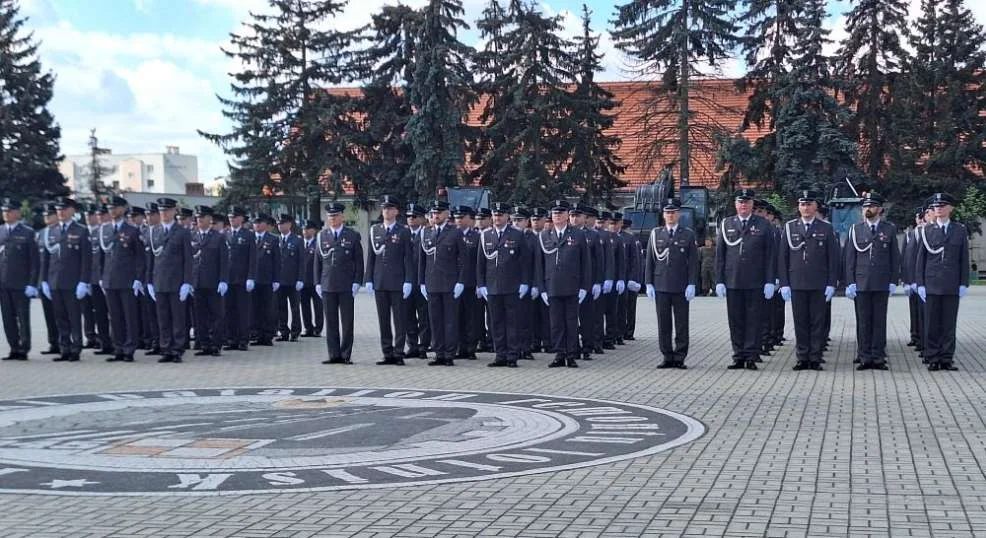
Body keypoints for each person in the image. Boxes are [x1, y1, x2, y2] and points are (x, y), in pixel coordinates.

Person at [777, 190, 840, 371]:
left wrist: (831, 283)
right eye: (802, 204)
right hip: (796, 282)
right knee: (800, 322)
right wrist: (784, 283)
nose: (805, 208)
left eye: (809, 204)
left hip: (819, 283)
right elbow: (783, 257)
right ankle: (802, 357)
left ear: (815, 207)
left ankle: (815, 357)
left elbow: (833, 258)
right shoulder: (790, 228)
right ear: (798, 207)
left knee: (817, 322)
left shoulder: (825, 228)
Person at [716, 188, 776, 370]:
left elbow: (770, 255)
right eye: (740, 202)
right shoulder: (727, 224)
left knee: (754, 320)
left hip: (756, 280)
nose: (743, 205)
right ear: (736, 204)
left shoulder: (764, 225)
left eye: (747, 202)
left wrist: (770, 280)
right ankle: (738, 355)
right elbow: (721, 255)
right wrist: (719, 280)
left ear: (752, 204)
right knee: (736, 320)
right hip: (733, 280)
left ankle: (751, 355)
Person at [844, 192, 899, 370]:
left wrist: (893, 280)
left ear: (880, 209)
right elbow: (850, 258)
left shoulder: (889, 229)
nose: (868, 209)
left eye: (872, 206)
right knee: (863, 321)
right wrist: (850, 281)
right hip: (861, 282)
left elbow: (894, 257)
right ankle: (864, 356)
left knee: (879, 321)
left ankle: (878, 357)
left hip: (881, 282)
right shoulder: (856, 229)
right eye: (865, 207)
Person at [534, 199, 591, 368]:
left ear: (567, 215)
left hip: (572, 286)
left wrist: (584, 287)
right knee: (556, 322)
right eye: (555, 213)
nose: (557, 216)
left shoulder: (578, 235)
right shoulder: (544, 235)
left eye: (561, 213)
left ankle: (571, 354)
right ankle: (559, 353)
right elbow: (539, 265)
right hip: (552, 286)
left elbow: (586, 264)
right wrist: (541, 288)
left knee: (571, 322)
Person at [916, 192, 969, 371]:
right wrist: (920, 284)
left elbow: (963, 258)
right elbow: (920, 260)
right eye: (936, 206)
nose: (938, 208)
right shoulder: (927, 230)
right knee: (931, 323)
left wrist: (963, 283)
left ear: (950, 208)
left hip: (951, 284)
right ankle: (932, 357)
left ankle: (946, 358)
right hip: (931, 284)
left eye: (942, 205)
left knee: (948, 324)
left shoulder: (959, 230)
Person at [645, 198, 698, 369]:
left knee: (682, 323)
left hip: (681, 286)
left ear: (679, 214)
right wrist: (648, 283)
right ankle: (667, 355)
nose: (670, 215)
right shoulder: (656, 234)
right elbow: (650, 261)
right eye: (668, 212)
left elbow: (693, 262)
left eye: (673, 212)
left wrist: (692, 284)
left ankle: (680, 356)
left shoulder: (688, 234)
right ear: (663, 215)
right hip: (661, 285)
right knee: (664, 323)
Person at [478, 202, 532, 367]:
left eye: (500, 215)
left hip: (512, 285)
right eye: (495, 215)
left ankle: (512, 355)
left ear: (507, 217)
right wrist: (481, 284)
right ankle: (500, 354)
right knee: (496, 322)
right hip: (492, 286)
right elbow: (480, 263)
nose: (497, 218)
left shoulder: (517, 235)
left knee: (512, 322)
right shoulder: (486, 235)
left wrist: (524, 283)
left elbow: (525, 262)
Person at [364, 195, 414, 365]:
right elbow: (371, 257)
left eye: (390, 208)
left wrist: (408, 280)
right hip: (380, 281)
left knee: (399, 319)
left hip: (398, 281)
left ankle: (398, 353)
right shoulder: (375, 230)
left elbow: (408, 258)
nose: (387, 211)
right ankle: (387, 353)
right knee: (383, 319)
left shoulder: (403, 231)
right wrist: (368, 279)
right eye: (384, 208)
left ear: (396, 211)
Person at [40, 197, 91, 362]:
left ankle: (76, 348)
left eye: (63, 209)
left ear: (71, 211)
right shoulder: (52, 231)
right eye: (58, 209)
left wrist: (84, 281)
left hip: (73, 282)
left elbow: (86, 259)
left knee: (74, 317)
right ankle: (64, 348)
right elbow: (47, 259)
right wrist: (44, 281)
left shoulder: (81, 230)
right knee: (60, 317)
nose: (60, 212)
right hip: (54, 281)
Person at [146, 198, 194, 363]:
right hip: (159, 282)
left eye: (167, 211)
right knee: (163, 318)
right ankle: (165, 348)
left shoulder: (182, 232)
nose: (164, 214)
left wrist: (187, 282)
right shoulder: (155, 231)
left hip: (176, 282)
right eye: (161, 211)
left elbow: (188, 260)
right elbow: (151, 259)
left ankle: (177, 349)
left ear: (174, 211)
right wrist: (149, 282)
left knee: (178, 318)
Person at [418, 200, 466, 366]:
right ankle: (438, 352)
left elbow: (463, 260)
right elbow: (422, 260)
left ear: (447, 214)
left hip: (450, 283)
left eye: (439, 212)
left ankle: (449, 354)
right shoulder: (426, 232)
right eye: (433, 213)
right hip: (431, 283)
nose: (435, 215)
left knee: (450, 320)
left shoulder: (455, 232)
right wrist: (421, 282)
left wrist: (461, 282)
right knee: (435, 320)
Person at [314, 202, 363, 364]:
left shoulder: (352, 236)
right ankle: (333, 354)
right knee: (331, 322)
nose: (332, 219)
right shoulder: (322, 236)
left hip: (346, 285)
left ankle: (345, 354)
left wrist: (357, 282)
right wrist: (317, 282)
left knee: (347, 322)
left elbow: (359, 262)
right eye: (330, 216)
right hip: (327, 284)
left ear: (342, 217)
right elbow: (318, 262)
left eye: (335, 216)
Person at [99, 196, 145, 363]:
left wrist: (138, 279)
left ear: (123, 209)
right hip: (110, 280)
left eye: (115, 207)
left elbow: (140, 258)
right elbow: (101, 257)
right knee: (115, 316)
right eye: (110, 208)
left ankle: (129, 349)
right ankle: (118, 348)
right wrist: (101, 277)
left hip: (127, 280)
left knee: (129, 316)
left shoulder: (132, 231)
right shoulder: (104, 230)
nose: (112, 210)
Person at [0, 198, 39, 361]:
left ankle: (24, 348)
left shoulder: (27, 232)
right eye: (4, 211)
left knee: (22, 317)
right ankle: (13, 347)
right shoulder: (1, 231)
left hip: (21, 283)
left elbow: (34, 261)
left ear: (17, 213)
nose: (6, 214)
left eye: (9, 211)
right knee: (7, 318)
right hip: (3, 283)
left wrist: (32, 283)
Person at [190, 205, 228, 357]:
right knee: (200, 316)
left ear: (209, 219)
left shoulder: (218, 237)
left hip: (213, 282)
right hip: (197, 282)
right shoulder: (192, 236)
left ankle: (216, 344)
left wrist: (223, 280)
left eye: (202, 217)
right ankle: (204, 344)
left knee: (216, 315)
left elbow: (223, 261)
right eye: (197, 217)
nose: (199, 220)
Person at [573, 205, 604, 361]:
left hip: (588, 283)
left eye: (578, 216)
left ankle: (587, 346)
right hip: (570, 282)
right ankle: (573, 347)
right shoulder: (564, 234)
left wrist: (598, 282)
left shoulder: (592, 235)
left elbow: (599, 261)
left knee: (587, 317)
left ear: (584, 218)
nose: (575, 219)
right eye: (572, 216)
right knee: (571, 317)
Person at [224, 206, 256, 351]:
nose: (232, 219)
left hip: (242, 279)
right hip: (228, 279)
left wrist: (251, 277)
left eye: (235, 217)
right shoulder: (225, 234)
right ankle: (231, 339)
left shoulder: (248, 235)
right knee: (229, 310)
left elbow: (252, 259)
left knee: (243, 311)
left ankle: (243, 339)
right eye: (230, 217)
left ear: (241, 219)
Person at [453, 205, 481, 360]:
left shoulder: (476, 237)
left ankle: (471, 348)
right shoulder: (450, 235)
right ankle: (458, 347)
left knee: (472, 317)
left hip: (471, 283)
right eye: (456, 217)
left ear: (470, 220)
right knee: (456, 316)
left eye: (461, 217)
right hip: (454, 283)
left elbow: (478, 263)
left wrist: (479, 283)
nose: (458, 220)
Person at [83, 204, 112, 354]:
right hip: (94, 279)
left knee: (113, 313)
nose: (99, 217)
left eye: (102, 214)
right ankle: (104, 341)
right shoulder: (92, 234)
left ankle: (116, 341)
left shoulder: (112, 230)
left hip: (109, 279)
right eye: (98, 214)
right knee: (99, 312)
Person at [404, 203, 430, 358]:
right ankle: (412, 346)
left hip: (423, 282)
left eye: (414, 216)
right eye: (408, 216)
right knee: (407, 316)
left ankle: (423, 347)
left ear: (421, 218)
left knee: (424, 317)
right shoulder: (403, 234)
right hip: (406, 282)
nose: (411, 219)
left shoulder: (427, 234)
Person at [251, 213, 280, 346]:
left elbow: (276, 261)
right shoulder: (249, 237)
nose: (256, 225)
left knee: (267, 308)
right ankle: (256, 334)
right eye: (255, 223)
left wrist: (276, 279)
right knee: (254, 309)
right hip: (252, 280)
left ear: (264, 224)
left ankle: (267, 336)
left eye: (259, 222)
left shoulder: (273, 239)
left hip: (267, 279)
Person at [36, 203, 60, 356]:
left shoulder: (61, 232)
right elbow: (39, 259)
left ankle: (65, 342)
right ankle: (53, 343)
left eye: (49, 215)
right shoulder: (41, 234)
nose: (46, 217)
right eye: (45, 215)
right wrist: (41, 281)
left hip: (58, 279)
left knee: (61, 314)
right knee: (48, 314)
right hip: (44, 280)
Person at [275, 214, 304, 342]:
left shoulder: (297, 240)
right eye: (279, 224)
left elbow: (301, 262)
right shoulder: (276, 240)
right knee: (281, 308)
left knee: (295, 308)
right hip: (280, 281)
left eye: (283, 223)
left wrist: (300, 279)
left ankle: (295, 331)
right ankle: (283, 332)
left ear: (289, 225)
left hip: (293, 281)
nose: (280, 226)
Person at [901, 206, 926, 352]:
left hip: (923, 280)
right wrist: (905, 280)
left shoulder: (927, 233)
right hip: (911, 279)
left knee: (924, 312)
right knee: (914, 309)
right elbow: (905, 258)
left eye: (922, 216)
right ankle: (915, 335)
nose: (920, 219)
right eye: (918, 217)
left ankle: (923, 338)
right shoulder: (910, 234)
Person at [620, 216, 642, 341]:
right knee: (627, 307)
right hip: (626, 278)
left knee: (629, 306)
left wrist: (636, 280)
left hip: (630, 278)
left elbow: (636, 261)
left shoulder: (632, 240)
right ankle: (626, 331)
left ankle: (628, 331)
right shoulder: (632, 239)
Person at [299, 219, 323, 338]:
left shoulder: (318, 244)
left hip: (315, 280)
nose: (305, 231)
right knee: (305, 306)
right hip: (302, 281)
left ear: (313, 230)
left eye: (307, 229)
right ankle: (308, 328)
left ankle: (317, 329)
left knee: (318, 306)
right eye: (303, 229)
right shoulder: (299, 244)